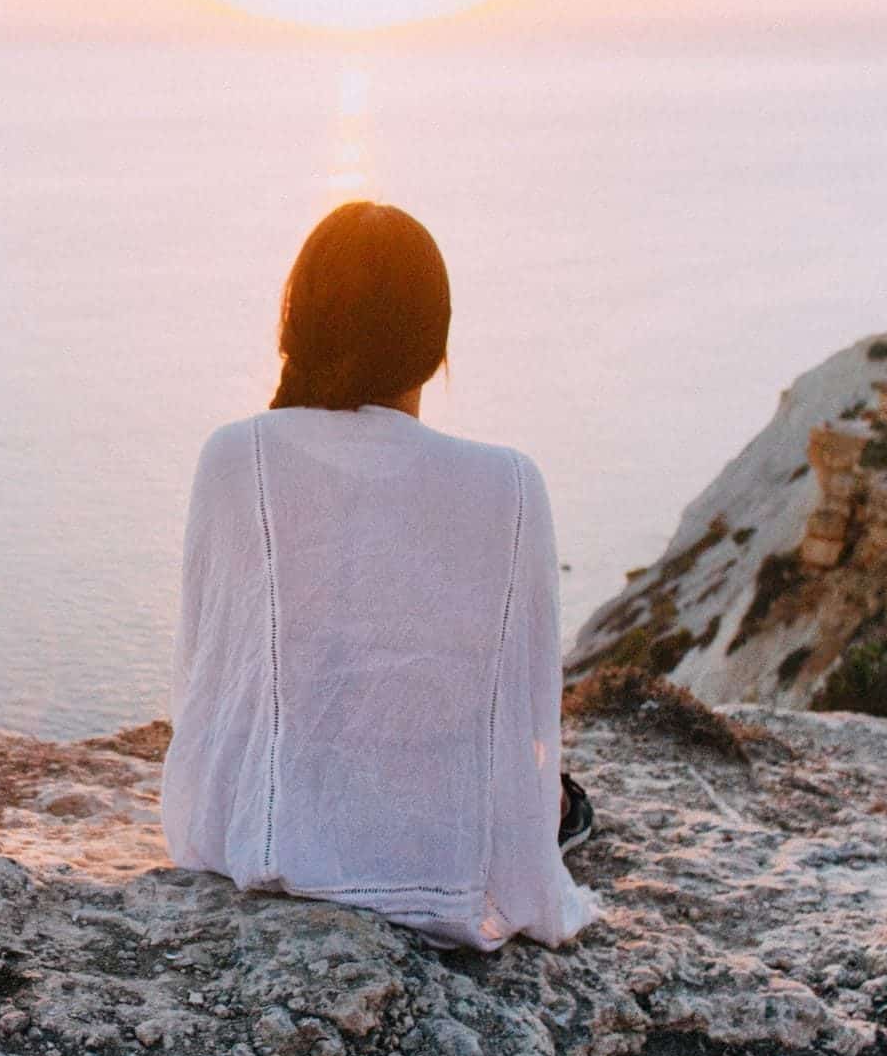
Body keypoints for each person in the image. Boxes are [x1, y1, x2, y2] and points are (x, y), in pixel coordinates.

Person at [160, 202, 599, 951]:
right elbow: (525, 704)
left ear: (294, 324)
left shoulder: (234, 458)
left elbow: (206, 681)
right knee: (556, 800)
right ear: (433, 344)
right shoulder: (510, 483)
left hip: (267, 833)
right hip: (442, 843)